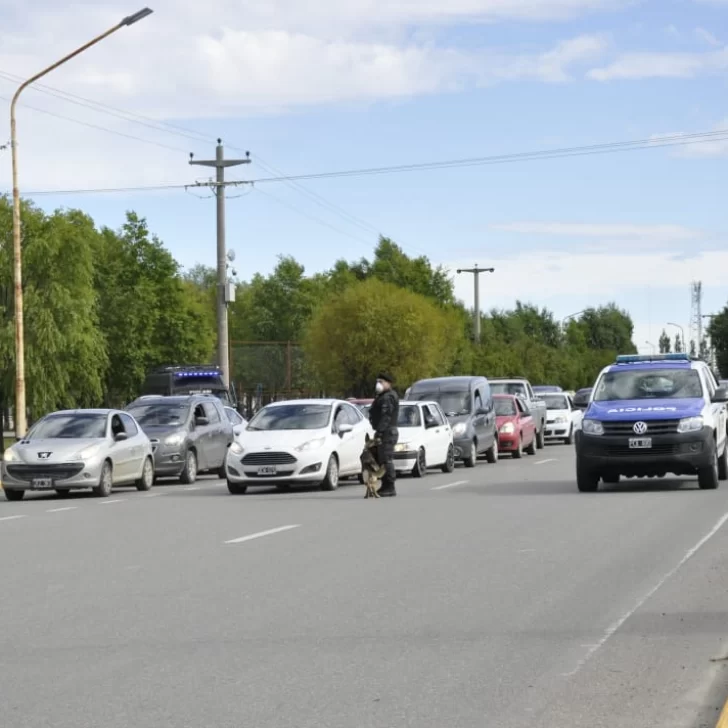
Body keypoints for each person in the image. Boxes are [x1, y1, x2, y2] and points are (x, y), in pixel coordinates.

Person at [368, 371, 400, 497]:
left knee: (386, 459)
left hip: (387, 432)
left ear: (388, 383)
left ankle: (390, 486)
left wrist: (380, 431)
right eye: (377, 381)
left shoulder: (389, 397)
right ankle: (385, 485)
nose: (378, 384)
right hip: (384, 431)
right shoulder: (382, 396)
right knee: (381, 459)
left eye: (381, 382)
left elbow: (386, 416)